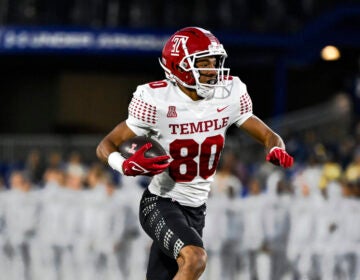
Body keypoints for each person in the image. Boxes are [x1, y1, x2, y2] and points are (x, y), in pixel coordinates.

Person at [96, 26, 294, 280]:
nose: (213, 70)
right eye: (203, 63)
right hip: (161, 202)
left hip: (197, 209)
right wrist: (123, 166)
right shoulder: (156, 99)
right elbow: (106, 145)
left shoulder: (230, 93)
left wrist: (276, 146)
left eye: (215, 61)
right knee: (195, 258)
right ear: (179, 67)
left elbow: (268, 134)